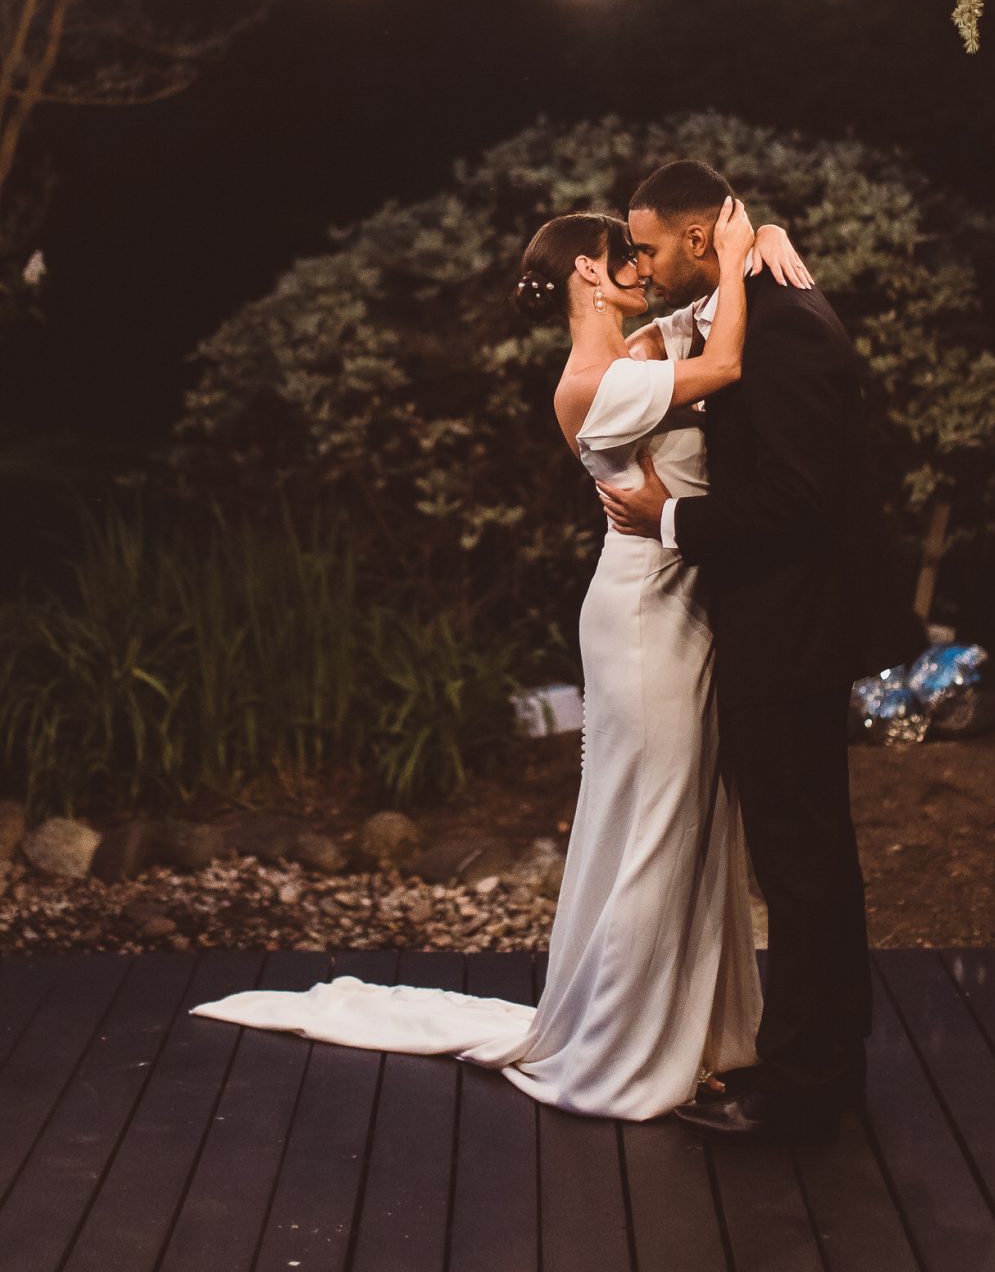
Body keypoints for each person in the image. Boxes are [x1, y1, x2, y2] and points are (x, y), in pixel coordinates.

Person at [190, 197, 811, 1124]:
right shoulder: (592, 382)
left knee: (688, 819)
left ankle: (700, 1035)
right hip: (645, 615)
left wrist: (756, 243)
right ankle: (625, 1046)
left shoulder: (635, 354)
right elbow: (720, 359)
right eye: (625, 256)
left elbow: (695, 324)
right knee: (655, 824)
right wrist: (730, 259)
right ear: (590, 276)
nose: (643, 265)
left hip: (681, 601)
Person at [599, 157, 926, 1144]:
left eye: (650, 245)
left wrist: (672, 517)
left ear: (700, 236)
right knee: (809, 855)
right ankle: (823, 1060)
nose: (642, 264)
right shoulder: (773, 302)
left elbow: (796, 497)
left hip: (788, 628)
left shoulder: (782, 331)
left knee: (800, 862)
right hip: (789, 625)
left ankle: (800, 1088)